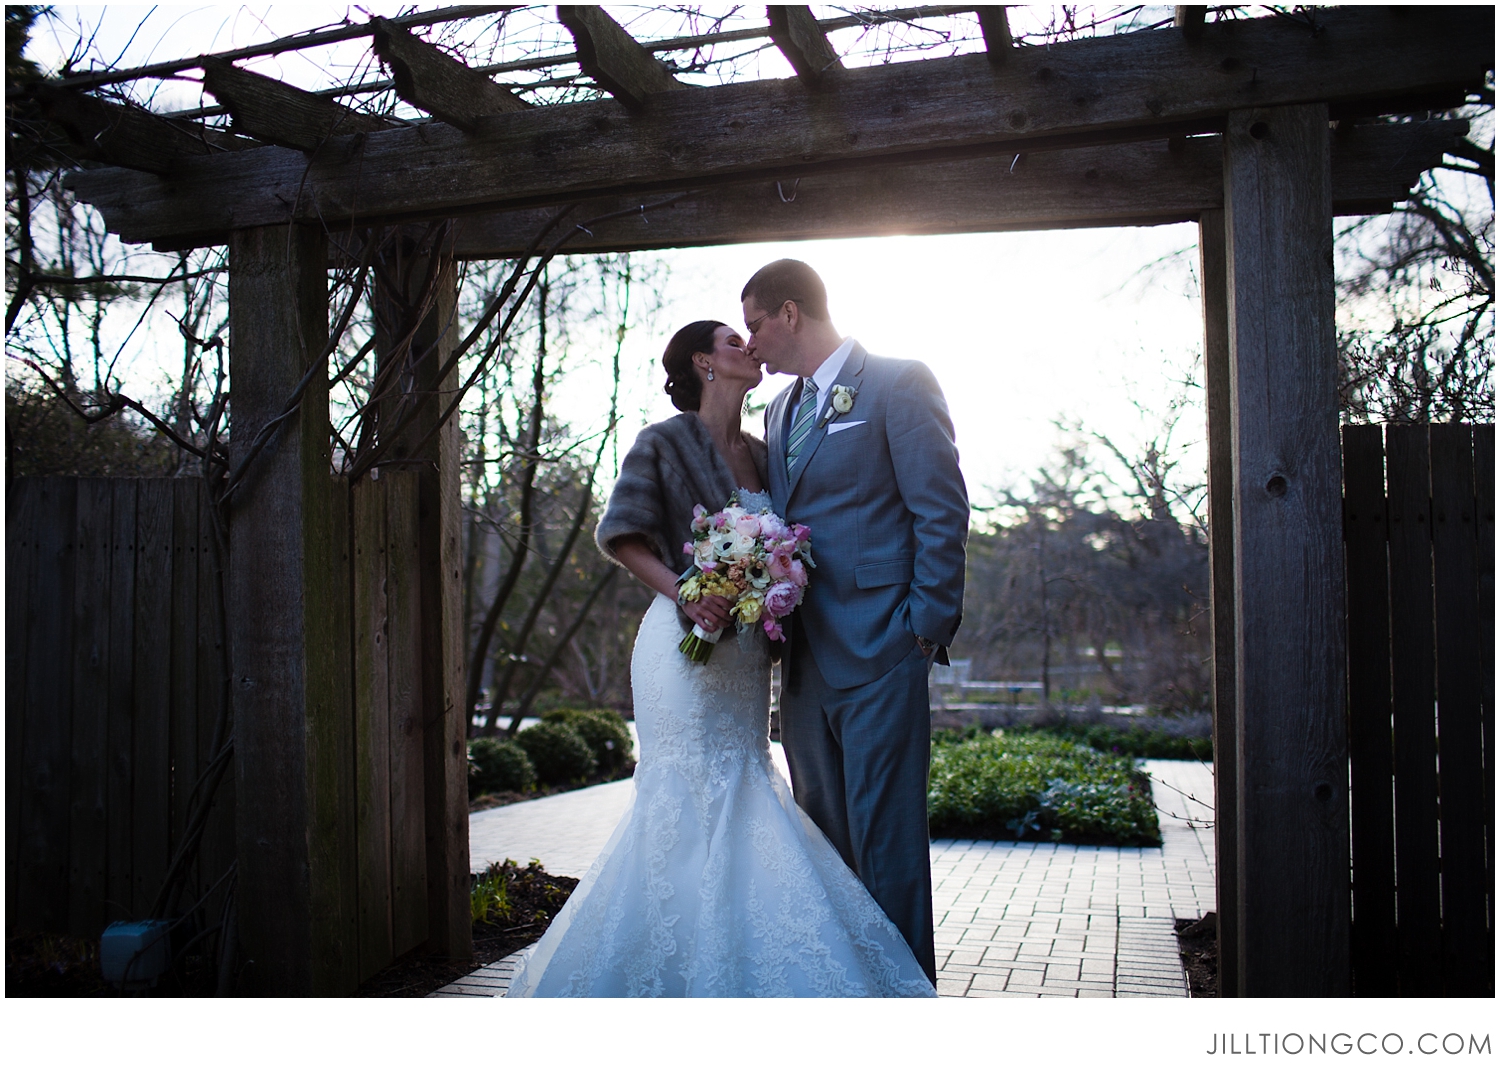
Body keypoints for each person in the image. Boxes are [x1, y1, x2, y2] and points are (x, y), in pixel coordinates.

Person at [505, 319, 936, 997]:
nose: (751, 348)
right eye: (736, 341)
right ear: (706, 362)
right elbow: (620, 535)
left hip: (745, 659)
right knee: (683, 796)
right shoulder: (664, 443)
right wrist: (688, 590)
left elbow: (791, 541)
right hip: (681, 653)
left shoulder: (768, 453)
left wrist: (777, 583)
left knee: (747, 784)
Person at [744, 259, 969, 986]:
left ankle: (908, 1005)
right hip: (805, 662)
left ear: (790, 312)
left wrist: (923, 626)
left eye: (755, 326)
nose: (753, 347)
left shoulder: (899, 383)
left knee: (889, 843)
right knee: (826, 845)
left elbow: (940, 508)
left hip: (883, 647)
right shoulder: (778, 413)